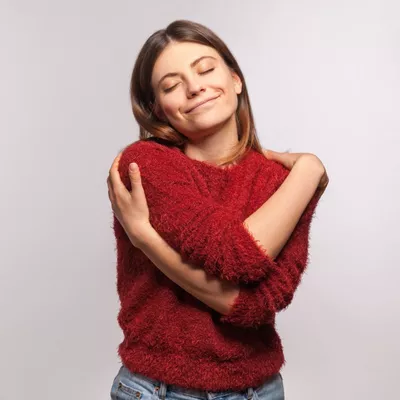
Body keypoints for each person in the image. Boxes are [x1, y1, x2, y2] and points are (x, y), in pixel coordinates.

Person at [106, 19, 329, 400]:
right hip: (159, 390)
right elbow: (238, 255)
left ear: (235, 80)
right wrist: (311, 169)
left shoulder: (282, 181)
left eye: (206, 69)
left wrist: (147, 240)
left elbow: (263, 306)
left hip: (259, 390)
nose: (194, 87)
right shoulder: (145, 164)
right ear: (158, 109)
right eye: (171, 86)